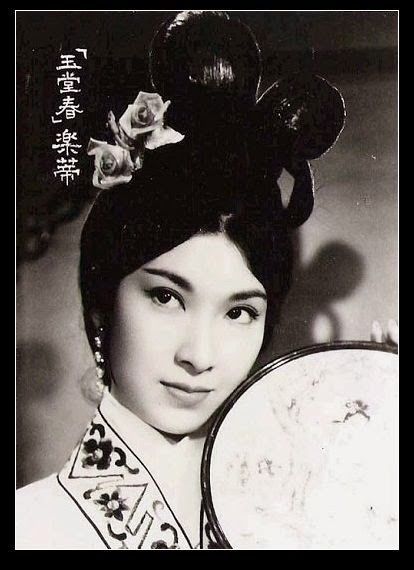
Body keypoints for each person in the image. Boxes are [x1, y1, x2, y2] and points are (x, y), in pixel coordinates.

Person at [15, 11, 349, 549]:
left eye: (239, 312)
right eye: (166, 297)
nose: (199, 355)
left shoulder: (300, 526)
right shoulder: (30, 528)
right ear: (101, 306)